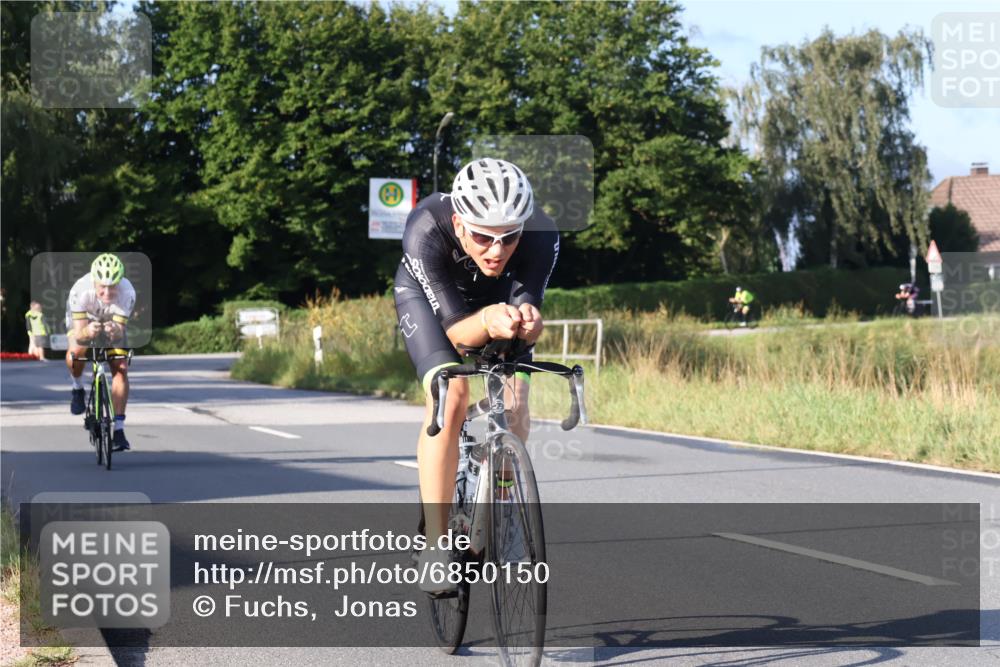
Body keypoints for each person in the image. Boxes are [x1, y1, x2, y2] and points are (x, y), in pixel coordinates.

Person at [394, 158, 559, 592]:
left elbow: (527, 308)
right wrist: (487, 318)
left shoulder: (542, 234)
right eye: (484, 236)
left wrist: (530, 323)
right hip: (432, 305)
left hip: (496, 305)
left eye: (509, 239)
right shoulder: (426, 227)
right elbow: (459, 334)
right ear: (459, 223)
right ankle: (434, 544)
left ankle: (498, 507)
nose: (496, 250)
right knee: (450, 398)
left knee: (516, 406)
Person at [65, 253, 136, 451]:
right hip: (84, 318)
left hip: (112, 318)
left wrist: (115, 331)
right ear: (94, 282)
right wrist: (88, 331)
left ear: (119, 283)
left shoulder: (127, 292)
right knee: (77, 350)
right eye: (102, 287)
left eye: (112, 286)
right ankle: (77, 387)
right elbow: (79, 334)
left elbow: (120, 331)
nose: (106, 292)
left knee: (120, 366)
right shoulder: (80, 290)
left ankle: (119, 431)